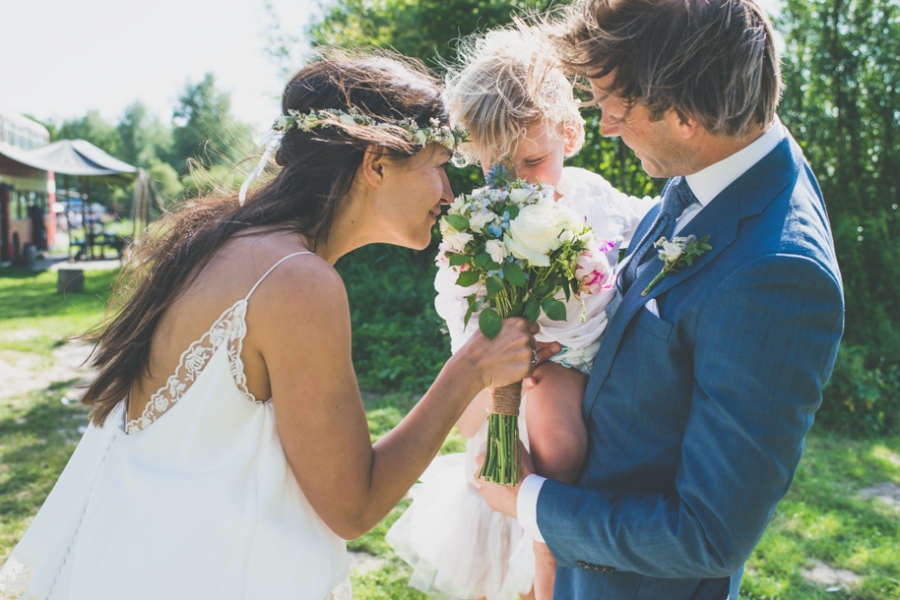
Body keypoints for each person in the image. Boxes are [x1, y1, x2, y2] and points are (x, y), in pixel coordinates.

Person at [0, 52, 541, 600]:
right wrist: (468, 372)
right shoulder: (296, 281)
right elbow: (353, 505)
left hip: (145, 561)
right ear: (376, 164)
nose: (449, 192)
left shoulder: (233, 242)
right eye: (439, 163)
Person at [478, 1, 845, 599]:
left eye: (615, 109)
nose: (605, 128)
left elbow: (708, 535)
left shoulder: (779, 274)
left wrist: (530, 501)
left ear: (687, 115)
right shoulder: (711, 167)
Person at [386, 27, 653, 600]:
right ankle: (534, 554)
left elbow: (652, 220)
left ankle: (548, 560)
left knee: (559, 441)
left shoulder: (592, 197)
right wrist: (498, 353)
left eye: (533, 160)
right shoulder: (483, 219)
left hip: (580, 360)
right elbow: (461, 303)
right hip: (518, 370)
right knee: (517, 450)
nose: (515, 182)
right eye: (494, 168)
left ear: (570, 133)